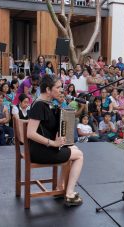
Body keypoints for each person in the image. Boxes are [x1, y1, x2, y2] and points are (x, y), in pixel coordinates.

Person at [27, 75, 84, 207]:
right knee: (79, 156)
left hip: (43, 148)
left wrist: (59, 105)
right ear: (48, 89)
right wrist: (53, 143)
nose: (61, 90)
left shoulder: (45, 103)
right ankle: (69, 194)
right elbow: (30, 133)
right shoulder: (39, 106)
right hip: (40, 151)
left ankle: (60, 187)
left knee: (74, 149)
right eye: (58, 87)